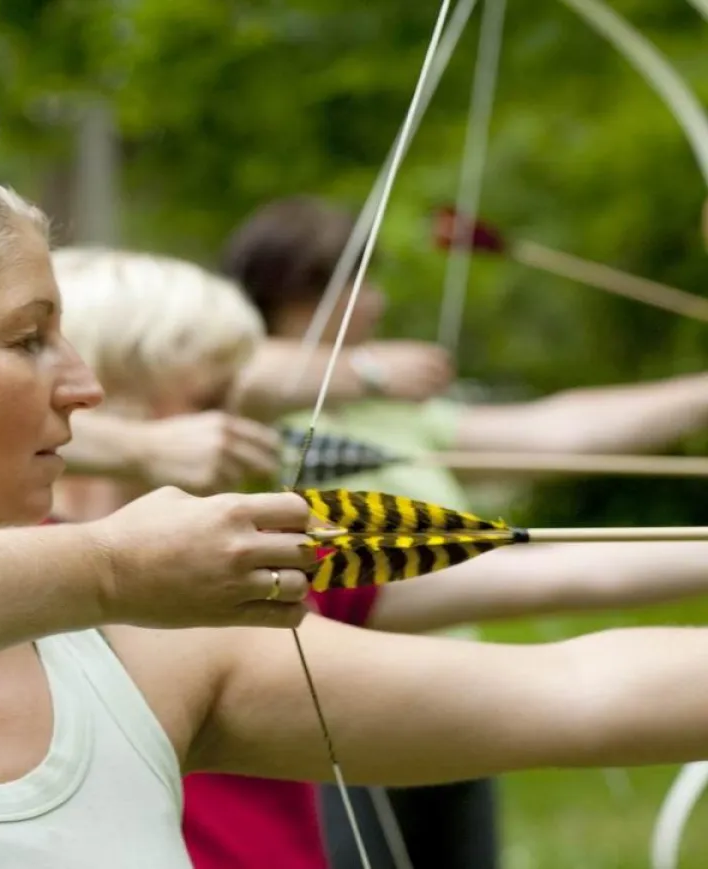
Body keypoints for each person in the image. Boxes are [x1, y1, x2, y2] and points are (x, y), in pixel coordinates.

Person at [0, 156, 708, 869]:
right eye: (29, 336)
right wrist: (118, 565)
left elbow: (579, 687)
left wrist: (121, 582)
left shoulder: (147, 654)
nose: (80, 384)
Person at [50, 244, 708, 869]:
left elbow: (570, 604)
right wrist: (137, 447)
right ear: (106, 396)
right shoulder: (10, 578)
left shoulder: (248, 558)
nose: (240, 421)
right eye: (211, 401)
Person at [221, 194, 708, 869]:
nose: (379, 303)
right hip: (331, 692)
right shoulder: (230, 409)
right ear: (303, 288)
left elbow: (554, 432)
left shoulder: (390, 411)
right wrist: (367, 370)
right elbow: (227, 365)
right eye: (361, 283)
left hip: (453, 687)